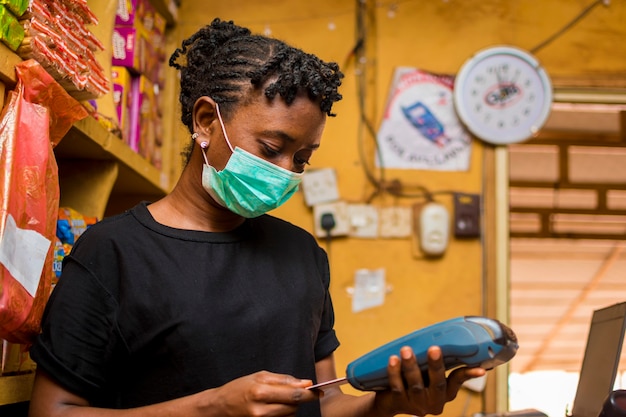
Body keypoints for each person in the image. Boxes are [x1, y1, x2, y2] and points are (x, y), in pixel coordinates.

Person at [28, 18, 485, 417]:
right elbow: (54, 412)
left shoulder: (301, 254)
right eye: (271, 149)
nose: (285, 172)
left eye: (303, 159)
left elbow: (324, 404)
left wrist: (389, 404)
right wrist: (212, 408)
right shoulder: (113, 253)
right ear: (206, 121)